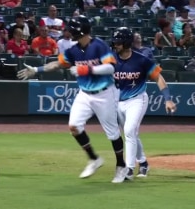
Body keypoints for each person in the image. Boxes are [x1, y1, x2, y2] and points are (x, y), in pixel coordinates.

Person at [17, 16, 129, 183]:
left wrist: (86, 69)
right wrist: (36, 69)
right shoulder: (73, 50)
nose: (69, 31)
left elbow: (111, 67)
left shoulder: (99, 45)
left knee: (113, 134)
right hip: (84, 93)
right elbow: (57, 64)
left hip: (105, 93)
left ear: (81, 31)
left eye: (72, 29)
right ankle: (94, 159)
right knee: (74, 126)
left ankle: (121, 166)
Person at [112, 27, 176, 179]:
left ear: (127, 42)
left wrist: (167, 99)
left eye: (119, 42)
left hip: (137, 99)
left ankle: (128, 169)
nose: (116, 45)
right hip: (118, 102)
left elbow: (159, 78)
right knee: (131, 133)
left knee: (128, 131)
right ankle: (144, 162)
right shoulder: (111, 59)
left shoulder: (141, 60)